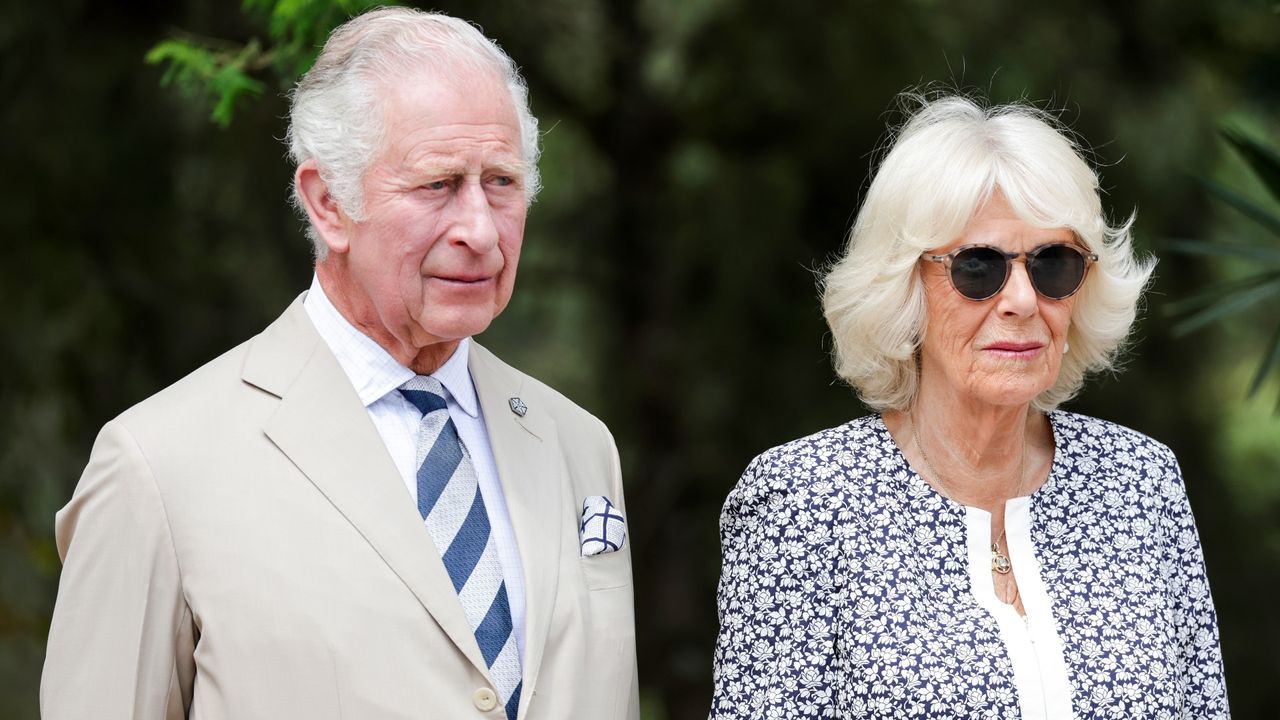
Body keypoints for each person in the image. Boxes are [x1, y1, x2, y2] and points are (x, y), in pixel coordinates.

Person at [41, 8, 638, 720]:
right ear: (327, 204)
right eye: (439, 184)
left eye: (502, 182)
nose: (480, 229)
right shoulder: (157, 465)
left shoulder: (578, 444)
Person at [710, 95, 1229, 718]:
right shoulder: (805, 503)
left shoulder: (1140, 483)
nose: (1020, 300)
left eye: (1053, 265)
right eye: (978, 267)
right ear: (904, 287)